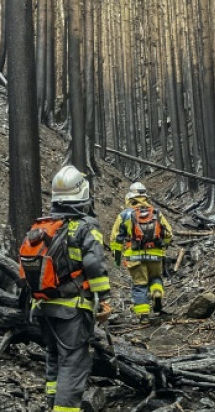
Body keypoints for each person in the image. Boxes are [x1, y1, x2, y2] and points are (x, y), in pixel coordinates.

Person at [24, 166, 111, 412]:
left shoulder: (43, 226)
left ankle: (52, 403)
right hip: (72, 310)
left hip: (42, 307)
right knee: (74, 363)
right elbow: (94, 264)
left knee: (54, 356)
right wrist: (103, 298)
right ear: (82, 194)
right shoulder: (85, 226)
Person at [109, 182, 173, 321]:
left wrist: (117, 258)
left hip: (134, 257)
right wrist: (163, 247)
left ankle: (143, 315)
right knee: (155, 278)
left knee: (139, 285)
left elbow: (115, 239)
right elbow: (168, 234)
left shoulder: (125, 215)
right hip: (155, 255)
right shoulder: (156, 213)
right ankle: (156, 293)